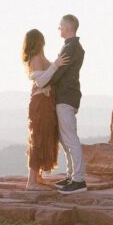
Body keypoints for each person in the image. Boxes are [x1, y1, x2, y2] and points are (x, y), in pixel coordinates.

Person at [21, 29, 69, 190]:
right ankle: (31, 181)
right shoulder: (35, 58)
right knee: (38, 138)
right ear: (40, 41)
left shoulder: (40, 57)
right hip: (40, 103)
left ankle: (38, 176)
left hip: (46, 102)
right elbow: (41, 82)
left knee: (46, 136)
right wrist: (55, 65)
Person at [49, 14, 87, 194]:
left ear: (69, 28)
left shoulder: (71, 48)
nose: (59, 28)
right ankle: (72, 175)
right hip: (66, 96)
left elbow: (59, 72)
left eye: (61, 26)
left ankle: (79, 181)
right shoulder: (71, 47)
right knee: (65, 139)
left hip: (66, 97)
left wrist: (43, 81)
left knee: (70, 138)